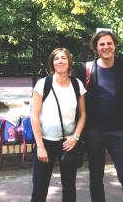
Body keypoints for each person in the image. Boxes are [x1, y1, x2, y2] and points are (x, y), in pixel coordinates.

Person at [77, 31, 123, 202]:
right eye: (102, 44)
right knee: (96, 177)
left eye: (109, 43)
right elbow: (78, 100)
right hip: (94, 132)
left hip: (120, 131)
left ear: (115, 45)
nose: (106, 47)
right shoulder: (86, 70)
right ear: (96, 48)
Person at [30, 48, 86, 202]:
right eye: (56, 58)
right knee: (40, 188)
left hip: (68, 143)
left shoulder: (77, 84)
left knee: (69, 188)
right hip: (45, 142)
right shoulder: (43, 84)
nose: (60, 61)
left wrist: (75, 137)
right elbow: (34, 116)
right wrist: (40, 146)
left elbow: (83, 115)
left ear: (69, 62)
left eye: (63, 58)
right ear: (52, 63)